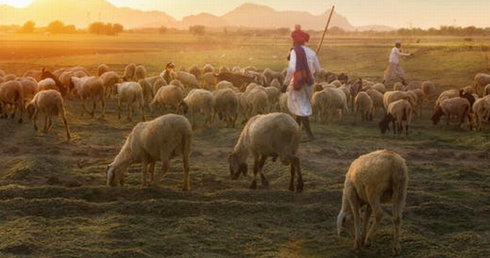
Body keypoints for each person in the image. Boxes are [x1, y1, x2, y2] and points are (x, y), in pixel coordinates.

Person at [282, 25, 321, 142]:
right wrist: (309, 76)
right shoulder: (312, 53)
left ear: (295, 40)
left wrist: (285, 84)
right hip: (309, 84)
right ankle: (295, 132)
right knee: (300, 107)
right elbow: (318, 70)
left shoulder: (294, 52)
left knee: (301, 108)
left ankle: (309, 135)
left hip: (298, 84)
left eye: (293, 40)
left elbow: (291, 69)